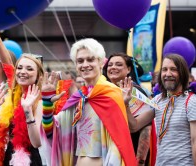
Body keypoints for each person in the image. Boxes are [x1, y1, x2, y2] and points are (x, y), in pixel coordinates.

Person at [40, 38, 136, 166]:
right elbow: (51, 132)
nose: (85, 64)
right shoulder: (79, 98)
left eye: (90, 59)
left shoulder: (112, 94)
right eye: (80, 61)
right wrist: (47, 102)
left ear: (101, 62)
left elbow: (119, 145)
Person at [0, 20, 44, 166]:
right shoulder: (12, 95)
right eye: (20, 68)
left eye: (29, 69)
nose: (23, 72)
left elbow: (36, 143)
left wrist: (28, 110)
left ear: (38, 76)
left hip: (30, 160)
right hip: (8, 158)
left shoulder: (39, 101)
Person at [123, 54, 196, 165]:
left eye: (173, 69)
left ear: (182, 73)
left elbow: (195, 141)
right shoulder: (158, 100)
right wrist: (126, 103)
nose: (168, 74)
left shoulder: (191, 101)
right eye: (164, 70)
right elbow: (134, 126)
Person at [103, 53, 154, 165]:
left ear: (128, 69)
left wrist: (140, 161)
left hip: (130, 156)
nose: (113, 67)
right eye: (110, 65)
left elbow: (145, 129)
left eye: (119, 64)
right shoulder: (106, 91)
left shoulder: (134, 92)